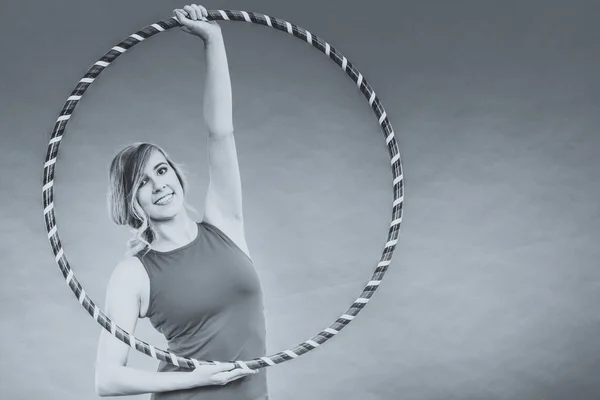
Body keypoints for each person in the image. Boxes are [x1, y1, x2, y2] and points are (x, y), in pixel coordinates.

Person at [94, 5, 269, 399]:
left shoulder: (225, 223)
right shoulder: (133, 274)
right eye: (141, 182)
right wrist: (196, 378)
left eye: (160, 170)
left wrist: (213, 38)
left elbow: (220, 131)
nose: (157, 185)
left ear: (174, 174)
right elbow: (106, 380)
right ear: (130, 201)